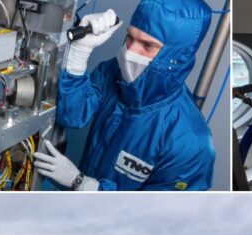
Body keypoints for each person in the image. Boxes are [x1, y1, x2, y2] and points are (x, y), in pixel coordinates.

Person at [33, 0, 216, 191]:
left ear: (178, 57)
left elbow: (158, 214)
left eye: (147, 45)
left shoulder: (190, 143)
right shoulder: (112, 72)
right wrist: (79, 52)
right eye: (130, 37)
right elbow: (72, 116)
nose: (130, 51)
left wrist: (84, 184)